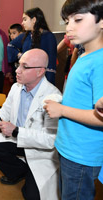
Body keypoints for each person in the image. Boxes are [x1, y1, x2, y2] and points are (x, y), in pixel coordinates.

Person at [0, 49, 61, 200]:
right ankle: (19, 172)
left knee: (31, 196)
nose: (17, 70)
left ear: (40, 72)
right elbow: (5, 112)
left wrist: (16, 131)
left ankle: (30, 173)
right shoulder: (16, 88)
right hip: (18, 140)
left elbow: (50, 140)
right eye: (18, 65)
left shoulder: (53, 97)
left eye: (25, 66)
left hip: (40, 150)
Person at [43, 0, 103, 199]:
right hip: (70, 147)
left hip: (81, 153)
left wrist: (62, 110)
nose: (69, 27)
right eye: (66, 21)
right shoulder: (85, 54)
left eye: (77, 19)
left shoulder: (100, 62)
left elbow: (100, 117)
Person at [7, 7, 57, 85]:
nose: (22, 23)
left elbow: (51, 63)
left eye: (25, 19)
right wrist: (20, 55)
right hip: (26, 77)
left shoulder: (48, 36)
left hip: (41, 78)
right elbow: (10, 46)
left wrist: (49, 83)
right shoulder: (25, 35)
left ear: (34, 20)